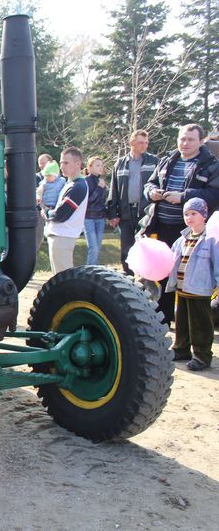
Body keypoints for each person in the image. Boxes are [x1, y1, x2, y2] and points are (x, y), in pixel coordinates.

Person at [139, 123, 219, 326]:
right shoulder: (167, 160)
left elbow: (214, 195)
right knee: (164, 274)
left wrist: (183, 197)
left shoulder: (211, 165)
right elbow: (149, 184)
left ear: (201, 142)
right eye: (182, 138)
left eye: (190, 139)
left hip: (190, 232)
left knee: (188, 278)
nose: (185, 143)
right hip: (161, 225)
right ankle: (165, 319)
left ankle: (190, 325)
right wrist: (152, 193)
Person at [166, 197, 219, 371]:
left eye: (193, 213)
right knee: (181, 322)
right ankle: (181, 349)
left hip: (200, 290)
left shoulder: (211, 240)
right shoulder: (182, 239)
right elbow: (170, 258)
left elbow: (217, 265)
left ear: (204, 215)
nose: (189, 217)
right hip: (182, 289)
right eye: (186, 214)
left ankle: (202, 356)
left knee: (200, 324)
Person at [107, 130, 159, 275]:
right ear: (132, 143)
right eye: (140, 142)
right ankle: (128, 278)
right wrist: (112, 213)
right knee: (126, 248)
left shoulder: (154, 161)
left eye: (146, 142)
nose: (144, 145)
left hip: (146, 213)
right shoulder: (120, 164)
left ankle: (146, 278)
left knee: (145, 247)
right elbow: (114, 189)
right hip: (125, 213)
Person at [43, 147, 88, 274]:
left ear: (78, 164)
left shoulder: (78, 186)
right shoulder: (72, 184)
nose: (62, 166)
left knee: (62, 279)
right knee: (61, 278)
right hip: (62, 235)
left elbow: (61, 214)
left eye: (66, 162)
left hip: (63, 235)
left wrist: (46, 212)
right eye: (61, 162)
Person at [35, 160, 64, 252]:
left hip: (56, 206)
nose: (46, 177)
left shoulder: (62, 182)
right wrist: (39, 196)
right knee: (44, 227)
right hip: (45, 205)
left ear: (55, 174)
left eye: (49, 176)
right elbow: (39, 191)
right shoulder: (44, 183)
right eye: (45, 175)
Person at [83, 157, 108, 265]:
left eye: (101, 165)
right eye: (97, 165)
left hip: (100, 218)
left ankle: (95, 270)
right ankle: (90, 272)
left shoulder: (101, 181)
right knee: (93, 248)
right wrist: (98, 188)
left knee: (97, 247)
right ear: (89, 167)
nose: (100, 168)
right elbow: (88, 201)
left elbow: (103, 201)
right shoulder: (85, 181)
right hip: (89, 218)